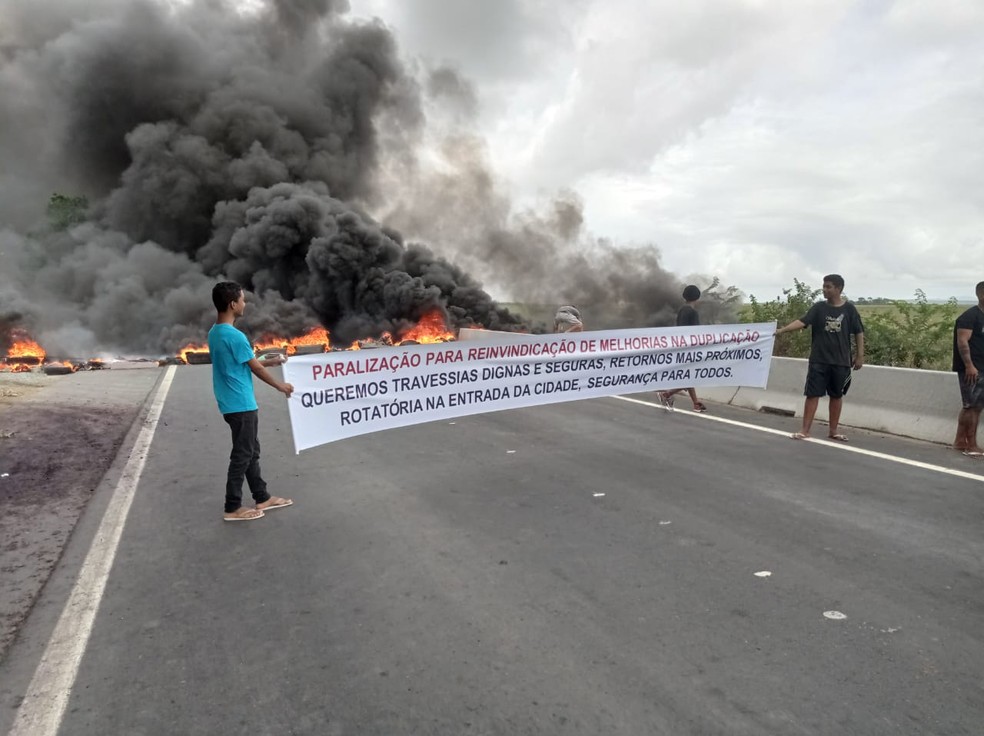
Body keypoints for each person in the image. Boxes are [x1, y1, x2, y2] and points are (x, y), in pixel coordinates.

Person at [209, 282, 295, 521]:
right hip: (241, 404)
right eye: (242, 299)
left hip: (230, 402)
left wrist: (268, 361)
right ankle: (232, 507)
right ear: (232, 304)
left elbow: (245, 362)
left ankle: (262, 496)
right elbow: (254, 367)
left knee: (250, 451)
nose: (244, 303)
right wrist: (280, 386)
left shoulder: (215, 332)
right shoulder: (235, 336)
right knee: (243, 454)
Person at [775, 274, 864, 441]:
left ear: (838, 289)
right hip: (819, 360)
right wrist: (782, 330)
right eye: (824, 286)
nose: (824, 289)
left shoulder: (849, 309)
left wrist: (860, 355)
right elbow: (802, 322)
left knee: (837, 396)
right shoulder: (819, 308)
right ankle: (805, 430)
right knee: (812, 394)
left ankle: (833, 431)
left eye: (828, 287)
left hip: (841, 361)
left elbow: (859, 332)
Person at [658, 284, 708, 412]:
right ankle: (667, 394)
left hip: (681, 347)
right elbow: (696, 334)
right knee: (690, 376)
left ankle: (695, 403)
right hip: (689, 349)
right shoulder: (692, 312)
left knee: (688, 376)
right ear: (697, 298)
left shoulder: (682, 310)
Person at [951, 281, 984, 457]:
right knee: (972, 407)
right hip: (972, 369)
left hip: (981, 368)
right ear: (981, 295)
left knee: (973, 406)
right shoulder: (970, 316)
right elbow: (962, 342)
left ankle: (959, 442)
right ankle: (971, 445)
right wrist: (969, 365)